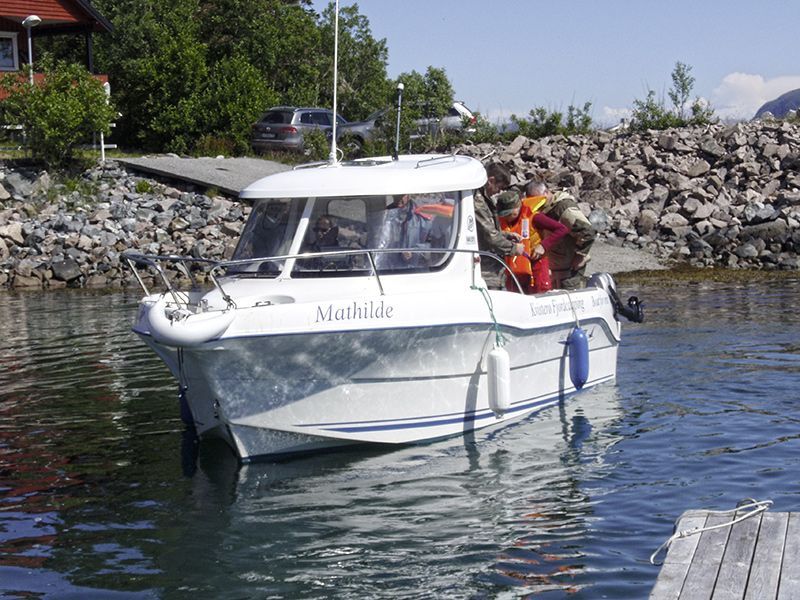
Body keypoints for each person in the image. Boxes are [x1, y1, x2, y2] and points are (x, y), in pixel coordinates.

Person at [524, 181, 596, 289]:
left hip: (569, 270)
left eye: (538, 199)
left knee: (571, 298)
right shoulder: (540, 209)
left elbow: (587, 232)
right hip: (553, 267)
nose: (537, 203)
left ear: (546, 193)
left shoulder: (564, 208)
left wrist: (580, 255)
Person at [495, 190, 569, 293]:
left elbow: (562, 229)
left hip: (536, 264)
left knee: (540, 293)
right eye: (503, 215)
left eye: (509, 214)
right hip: (514, 268)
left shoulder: (535, 217)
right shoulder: (501, 221)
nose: (506, 218)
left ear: (518, 207)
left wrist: (543, 246)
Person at [473, 163, 525, 289]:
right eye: (499, 188)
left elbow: (486, 230)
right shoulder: (478, 201)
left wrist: (506, 235)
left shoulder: (484, 198)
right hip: (487, 271)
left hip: (492, 269)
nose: (499, 192)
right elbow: (489, 236)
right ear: (491, 181)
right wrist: (513, 248)